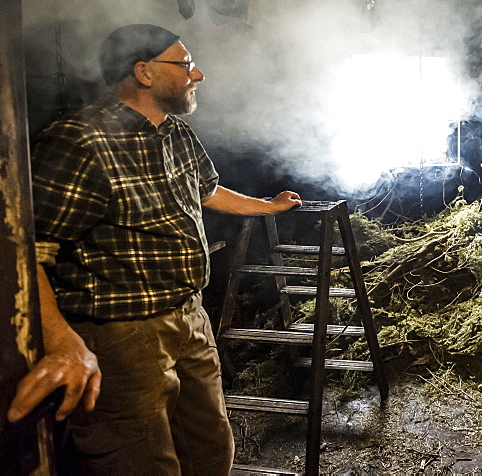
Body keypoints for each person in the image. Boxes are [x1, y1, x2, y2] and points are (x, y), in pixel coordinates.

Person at [5, 24, 301, 474]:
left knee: (211, 450)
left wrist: (267, 206)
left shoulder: (176, 133)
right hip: (123, 335)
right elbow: (27, 254)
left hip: (189, 316)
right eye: (184, 64)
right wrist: (63, 343)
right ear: (143, 72)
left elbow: (207, 190)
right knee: (143, 462)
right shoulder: (80, 141)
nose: (197, 75)